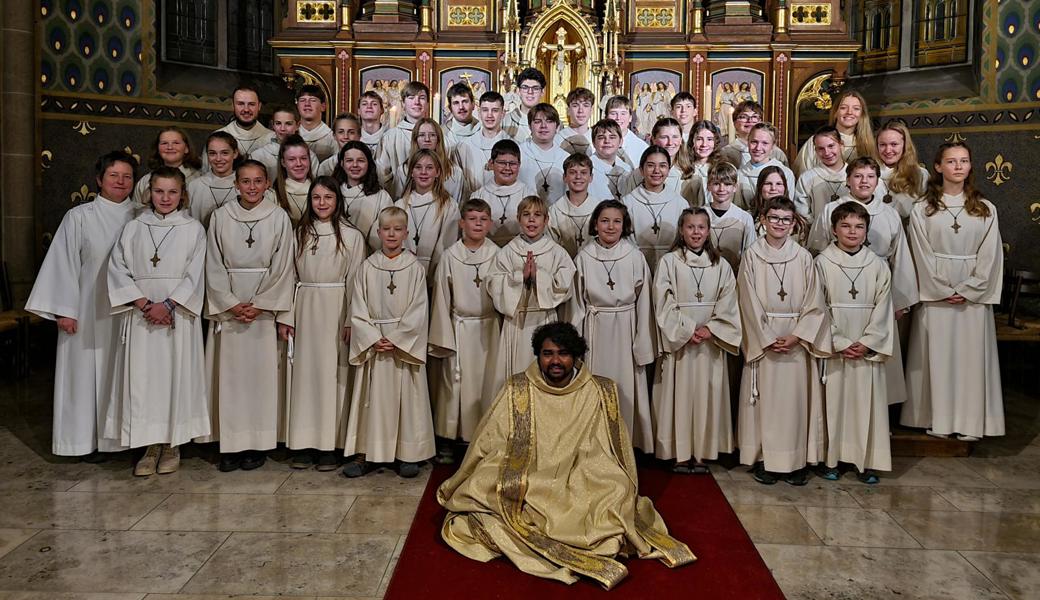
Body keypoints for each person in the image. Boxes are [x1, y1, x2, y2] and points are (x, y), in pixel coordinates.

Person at [437, 322, 695, 590]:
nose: (556, 361)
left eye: (563, 353)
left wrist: (581, 466)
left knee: (617, 487)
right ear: (538, 355)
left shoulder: (600, 390)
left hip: (583, 468)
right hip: (530, 469)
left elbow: (610, 449)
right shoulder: (517, 389)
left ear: (576, 356)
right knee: (482, 485)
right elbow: (492, 437)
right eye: (548, 353)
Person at [26, 151, 139, 459]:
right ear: (99, 179)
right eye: (114, 175)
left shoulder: (142, 216)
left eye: (127, 176)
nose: (120, 181)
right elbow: (62, 264)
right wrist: (64, 309)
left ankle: (121, 441)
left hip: (128, 312)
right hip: (87, 310)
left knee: (122, 374)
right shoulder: (79, 216)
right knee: (83, 376)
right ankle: (81, 442)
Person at [106, 166, 209, 476]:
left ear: (182, 194)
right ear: (149, 193)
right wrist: (144, 303)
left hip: (176, 315)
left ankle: (172, 443)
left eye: (172, 192)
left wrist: (168, 304)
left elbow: (196, 273)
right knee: (143, 379)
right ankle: (149, 446)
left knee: (174, 377)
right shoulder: (134, 227)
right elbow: (118, 268)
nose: (165, 198)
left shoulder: (193, 229)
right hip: (142, 315)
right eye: (159, 191)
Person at [902, 142, 1004, 441]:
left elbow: (990, 255)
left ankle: (971, 424)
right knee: (938, 359)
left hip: (973, 297)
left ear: (970, 166)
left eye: (964, 161)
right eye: (951, 161)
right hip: (937, 295)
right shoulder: (923, 209)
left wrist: (970, 288)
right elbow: (919, 253)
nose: (958, 166)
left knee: (971, 361)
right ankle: (939, 420)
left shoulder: (985, 209)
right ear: (938, 167)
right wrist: (942, 288)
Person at [202, 159, 295, 472]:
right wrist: (229, 303)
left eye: (258, 181)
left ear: (267, 184)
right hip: (230, 310)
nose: (252, 187)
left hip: (262, 313)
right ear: (235, 184)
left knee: (260, 379)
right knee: (231, 379)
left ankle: (257, 443)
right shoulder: (220, 216)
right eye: (245, 181)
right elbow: (212, 263)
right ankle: (230, 444)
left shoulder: (278, 217)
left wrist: (261, 303)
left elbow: (284, 265)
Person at [737, 197, 830, 486]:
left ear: (794, 223)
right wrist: (765, 337)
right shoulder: (751, 255)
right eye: (774, 218)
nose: (779, 224)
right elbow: (747, 301)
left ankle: (795, 460)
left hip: (795, 338)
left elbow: (816, 301)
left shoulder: (803, 257)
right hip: (765, 339)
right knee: (765, 401)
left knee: (795, 403)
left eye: (785, 219)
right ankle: (766, 458)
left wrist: (797, 336)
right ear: (762, 220)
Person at [276, 177, 365, 471]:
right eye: (316, 197)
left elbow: (356, 281)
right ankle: (303, 443)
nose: (322, 203)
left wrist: (353, 319)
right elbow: (288, 275)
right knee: (305, 377)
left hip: (336, 307)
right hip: (305, 305)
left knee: (332, 377)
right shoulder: (300, 231)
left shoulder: (351, 236)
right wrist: (287, 316)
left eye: (328, 197)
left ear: (337, 200)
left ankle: (331, 444)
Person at [343, 206, 435, 478]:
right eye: (386, 229)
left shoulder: (415, 269)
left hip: (401, 347)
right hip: (374, 344)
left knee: (408, 397)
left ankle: (408, 453)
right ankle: (366, 453)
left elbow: (419, 309)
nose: (392, 234)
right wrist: (372, 338)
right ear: (378, 232)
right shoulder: (367, 267)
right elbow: (357, 307)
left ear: (406, 233)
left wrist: (397, 339)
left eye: (397, 229)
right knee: (369, 399)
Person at [653, 208, 742, 473]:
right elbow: (663, 299)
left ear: (708, 231)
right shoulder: (669, 262)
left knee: (707, 394)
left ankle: (702, 453)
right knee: (679, 395)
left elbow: (729, 301)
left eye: (701, 227)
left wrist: (711, 329)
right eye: (690, 227)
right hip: (680, 340)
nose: (696, 232)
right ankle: (679, 454)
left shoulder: (721, 264)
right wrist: (687, 329)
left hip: (710, 342)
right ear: (681, 231)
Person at [815, 201, 894, 484]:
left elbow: (884, 306)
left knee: (866, 405)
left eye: (859, 226)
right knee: (834, 404)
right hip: (836, 348)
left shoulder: (878, 265)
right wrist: (839, 341)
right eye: (846, 226)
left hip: (865, 348)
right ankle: (832, 459)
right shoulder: (822, 262)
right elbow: (817, 307)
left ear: (866, 231)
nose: (852, 232)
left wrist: (868, 341)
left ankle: (867, 460)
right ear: (834, 230)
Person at [567, 200, 656, 451]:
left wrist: (642, 343)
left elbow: (645, 303)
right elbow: (576, 303)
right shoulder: (584, 257)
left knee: (625, 388)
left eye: (617, 221)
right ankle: (594, 445)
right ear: (595, 223)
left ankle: (626, 445)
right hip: (595, 329)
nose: (610, 226)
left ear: (624, 225)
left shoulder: (634, 256)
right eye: (605, 220)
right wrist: (576, 345)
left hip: (626, 329)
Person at [428, 199, 502, 463]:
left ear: (490, 224)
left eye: (483, 220)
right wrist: (442, 336)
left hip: (489, 328)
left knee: (488, 383)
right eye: (472, 219)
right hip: (460, 327)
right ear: (462, 223)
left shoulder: (498, 254)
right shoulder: (450, 256)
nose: (478, 224)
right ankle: (450, 438)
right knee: (454, 384)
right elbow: (441, 300)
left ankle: (485, 439)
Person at [487, 195, 575, 390]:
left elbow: (566, 285)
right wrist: (520, 277)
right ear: (519, 219)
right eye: (526, 215)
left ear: (546, 220)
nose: (532, 220)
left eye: (537, 215)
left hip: (545, 320)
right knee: (515, 375)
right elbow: (493, 284)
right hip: (516, 322)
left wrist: (539, 277)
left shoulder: (556, 252)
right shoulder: (508, 252)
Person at [395, 149, 461, 279]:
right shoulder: (399, 206)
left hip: (437, 275)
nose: (423, 172)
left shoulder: (449, 206)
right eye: (418, 167)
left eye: (429, 168)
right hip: (403, 274)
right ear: (411, 172)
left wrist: (434, 275)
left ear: (438, 172)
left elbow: (447, 244)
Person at [622, 145, 689, 272]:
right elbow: (626, 242)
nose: (657, 171)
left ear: (669, 170)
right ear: (641, 170)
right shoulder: (627, 203)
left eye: (662, 166)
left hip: (673, 267)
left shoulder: (680, 204)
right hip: (636, 268)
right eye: (651, 165)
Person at [794, 90, 877, 176]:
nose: (849, 112)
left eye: (856, 108)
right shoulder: (817, 141)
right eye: (843, 108)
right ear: (835, 112)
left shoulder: (869, 145)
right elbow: (802, 175)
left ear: (862, 115)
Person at [470, 139, 537, 246]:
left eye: (512, 163)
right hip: (487, 253)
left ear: (519, 165)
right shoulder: (479, 196)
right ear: (491, 164)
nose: (507, 168)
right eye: (502, 163)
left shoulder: (529, 195)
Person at [548, 152, 608, 257]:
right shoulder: (554, 211)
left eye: (584, 172)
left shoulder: (600, 210)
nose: (578, 177)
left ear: (591, 177)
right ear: (565, 177)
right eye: (572, 172)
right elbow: (550, 247)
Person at [705, 161, 757, 272]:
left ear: (735, 187)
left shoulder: (744, 218)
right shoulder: (700, 215)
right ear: (709, 186)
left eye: (727, 184)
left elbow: (750, 255)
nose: (721, 189)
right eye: (716, 183)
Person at [377, 81, 430, 189]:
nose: (417, 102)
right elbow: (381, 174)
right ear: (403, 104)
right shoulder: (390, 137)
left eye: (422, 98)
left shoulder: (438, 136)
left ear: (428, 104)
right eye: (411, 98)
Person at [618, 118, 688, 197]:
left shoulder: (689, 173)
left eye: (675, 137)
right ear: (653, 139)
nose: (670, 142)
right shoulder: (639, 174)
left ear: (681, 140)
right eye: (664, 137)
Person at [132, 126, 202, 204]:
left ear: (186, 148)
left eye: (176, 143)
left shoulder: (199, 179)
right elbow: (136, 211)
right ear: (157, 149)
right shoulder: (145, 181)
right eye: (164, 143)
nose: (170, 147)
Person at [735, 123, 796, 211]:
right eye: (754, 142)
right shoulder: (739, 174)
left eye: (765, 143)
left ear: (773, 146)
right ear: (747, 142)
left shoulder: (785, 173)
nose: (758, 148)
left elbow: (787, 207)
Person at [876, 119, 928, 221]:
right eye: (882, 145)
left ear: (905, 145)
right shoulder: (868, 174)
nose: (888, 150)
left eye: (894, 144)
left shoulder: (920, 174)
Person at [458, 91, 511, 190]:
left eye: (495, 110)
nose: (489, 115)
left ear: (503, 114)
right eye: (485, 110)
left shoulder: (513, 146)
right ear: (479, 113)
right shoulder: (464, 147)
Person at [251, 106, 320, 182]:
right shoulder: (258, 156)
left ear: (298, 125)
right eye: (278, 123)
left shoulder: (310, 156)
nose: (283, 128)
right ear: (272, 125)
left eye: (288, 124)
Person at [518, 102, 570, 203]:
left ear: (557, 126)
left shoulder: (565, 158)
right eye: (537, 122)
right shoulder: (518, 154)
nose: (543, 126)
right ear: (529, 126)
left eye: (549, 121)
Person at [189, 131, 241, 227]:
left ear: (235, 153)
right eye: (212, 153)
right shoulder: (194, 186)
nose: (218, 159)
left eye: (224, 153)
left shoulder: (244, 186)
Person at [211, 85, 273, 162]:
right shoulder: (216, 139)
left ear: (259, 106)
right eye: (240, 104)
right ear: (233, 106)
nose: (246, 109)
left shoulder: (272, 139)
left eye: (251, 104)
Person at [719, 100, 788, 168]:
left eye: (754, 117)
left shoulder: (776, 153)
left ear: (760, 121)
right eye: (743, 117)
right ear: (734, 123)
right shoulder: (725, 153)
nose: (750, 120)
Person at [678, 120, 723, 207]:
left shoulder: (721, 168)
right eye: (699, 139)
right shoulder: (683, 168)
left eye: (709, 139)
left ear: (715, 142)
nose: (704, 144)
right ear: (692, 141)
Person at [273, 134, 315, 225]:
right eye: (292, 159)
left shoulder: (321, 190)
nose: (299, 164)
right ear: (283, 162)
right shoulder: (273, 195)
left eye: (303, 158)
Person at [588, 118, 632, 200]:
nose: (607, 141)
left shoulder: (626, 168)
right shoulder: (586, 169)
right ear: (593, 142)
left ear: (620, 142)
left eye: (612, 137)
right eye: (601, 137)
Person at [605, 95, 650, 169]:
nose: (618, 118)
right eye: (613, 113)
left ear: (630, 118)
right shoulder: (595, 143)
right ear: (606, 117)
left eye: (623, 113)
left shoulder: (642, 148)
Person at [296, 84, 338, 162]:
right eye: (302, 100)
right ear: (298, 106)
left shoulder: (332, 138)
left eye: (313, 100)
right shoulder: (291, 134)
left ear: (323, 107)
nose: (307, 104)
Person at [503, 67, 546, 142]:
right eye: (525, 87)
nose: (530, 92)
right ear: (518, 91)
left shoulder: (552, 122)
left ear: (542, 92)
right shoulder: (504, 121)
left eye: (535, 88)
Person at [315, 112, 362, 177]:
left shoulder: (368, 164)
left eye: (351, 132)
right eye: (341, 132)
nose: (346, 136)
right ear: (334, 135)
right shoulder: (326, 166)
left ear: (359, 135)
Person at [442, 82, 480, 151]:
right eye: (456, 103)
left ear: (473, 105)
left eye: (465, 101)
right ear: (450, 108)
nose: (461, 107)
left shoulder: (483, 130)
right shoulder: (442, 133)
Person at [558, 87, 595, 155]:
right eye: (575, 106)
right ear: (568, 110)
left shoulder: (596, 138)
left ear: (592, 110)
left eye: (585, 105)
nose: (581, 111)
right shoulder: (558, 139)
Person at [358, 90, 387, 156]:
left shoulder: (390, 137)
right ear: (359, 111)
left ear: (382, 110)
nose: (369, 107)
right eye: (364, 104)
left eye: (374, 104)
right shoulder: (353, 137)